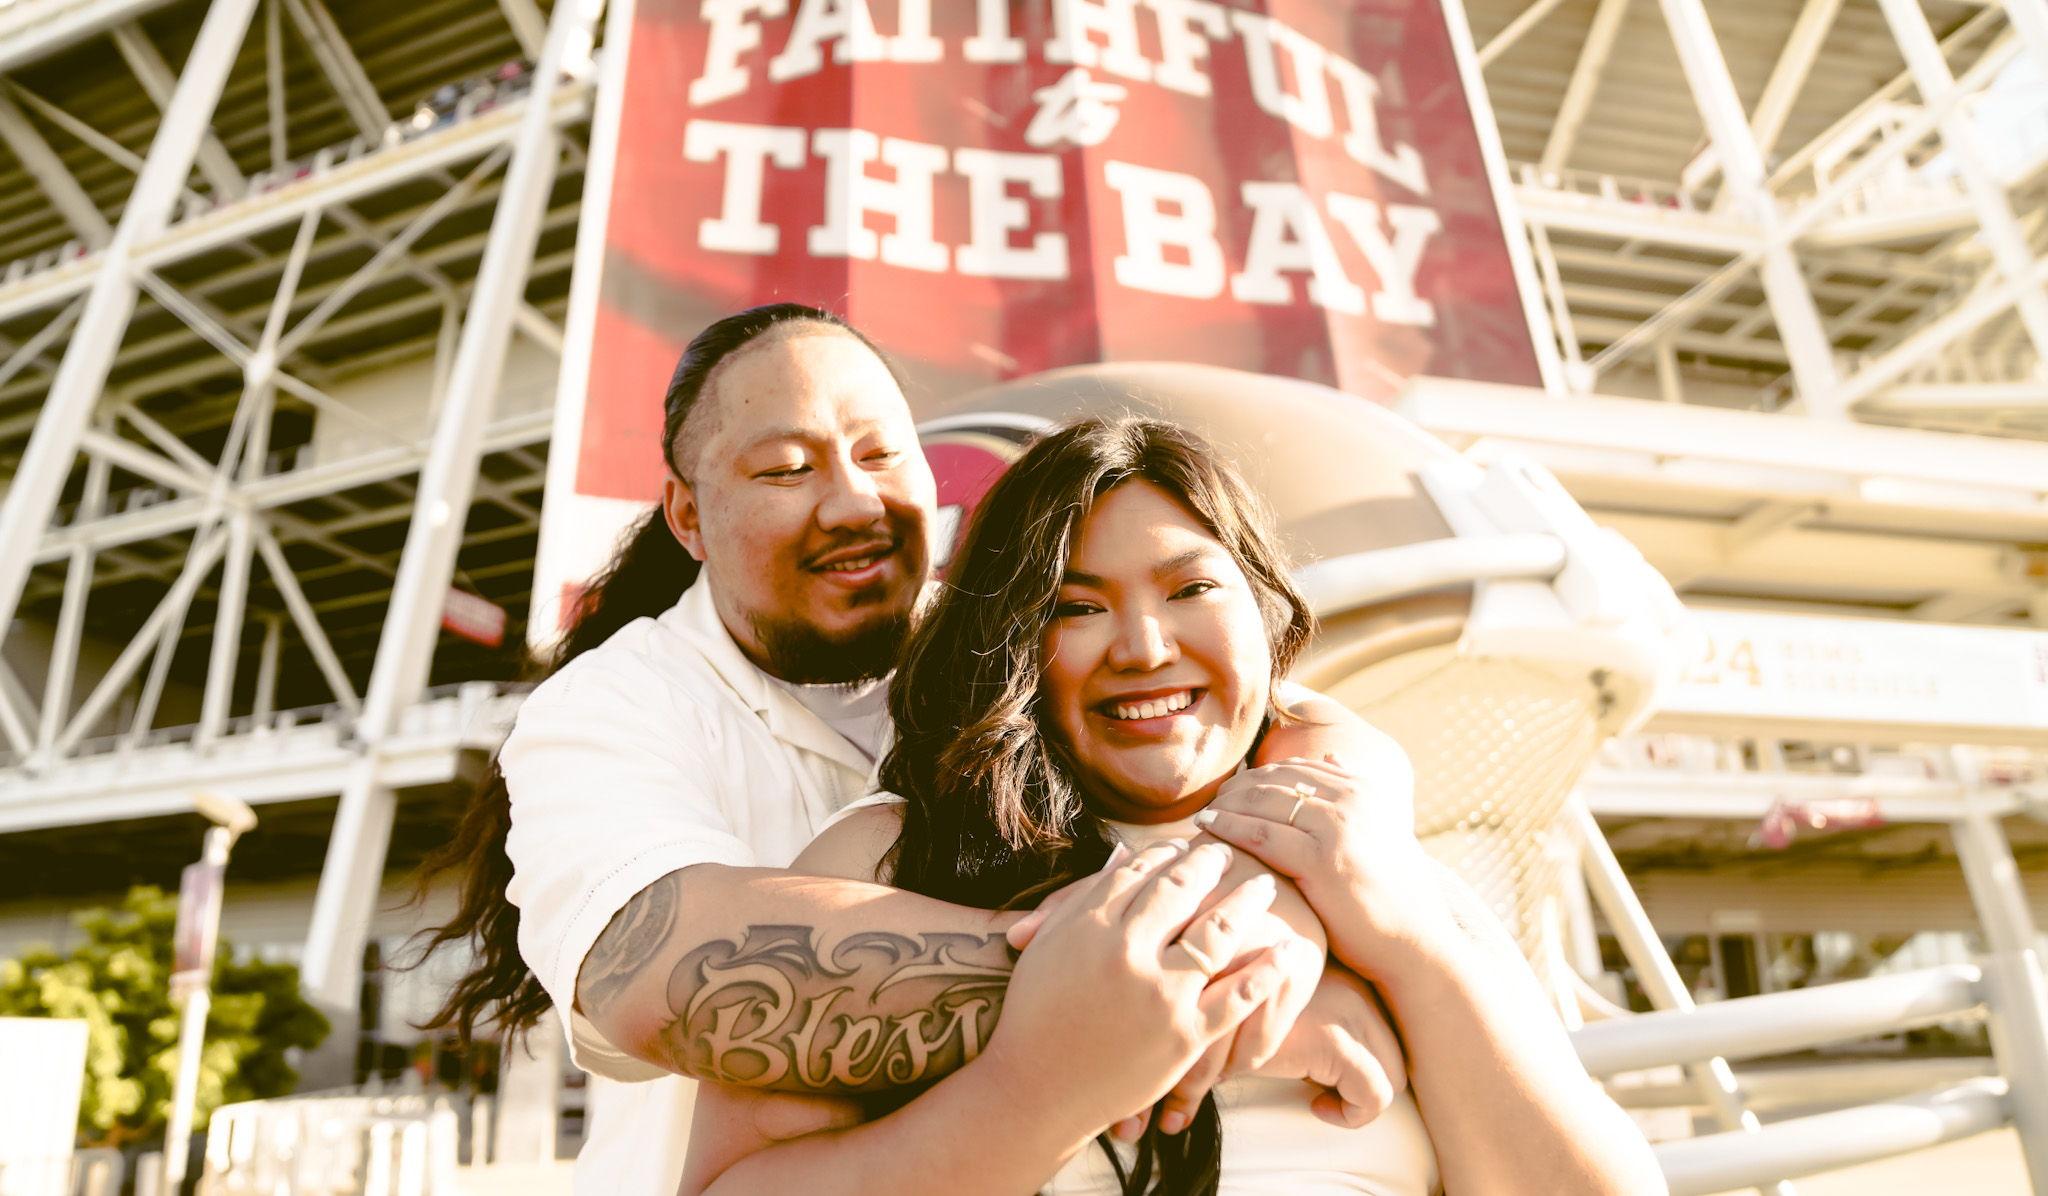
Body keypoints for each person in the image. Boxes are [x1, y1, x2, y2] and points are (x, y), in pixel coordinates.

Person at [412, 305, 1406, 1194]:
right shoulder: (611, 706)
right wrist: (1205, 991)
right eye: (787, 468)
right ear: (686, 515)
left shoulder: (1013, 647)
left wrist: (1275, 895)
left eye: (882, 453)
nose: (852, 503)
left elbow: (1287, 725)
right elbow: (661, 970)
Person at [683, 417, 1668, 1195]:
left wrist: (1406, 943)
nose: (1145, 647)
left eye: (1190, 587)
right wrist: (1042, 1085)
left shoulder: (1372, 855)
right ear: (1008, 643)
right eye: (1076, 607)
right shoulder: (888, 860)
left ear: (1263, 609)